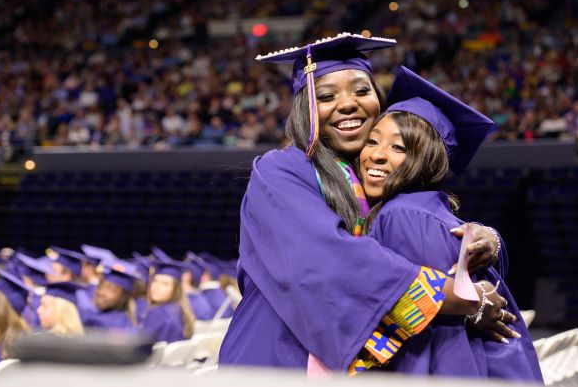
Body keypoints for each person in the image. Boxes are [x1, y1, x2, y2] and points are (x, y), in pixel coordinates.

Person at [218, 33, 510, 373]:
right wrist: (453, 297)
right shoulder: (281, 169)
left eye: (362, 90)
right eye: (326, 96)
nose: (347, 104)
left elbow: (430, 232)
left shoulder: (376, 175)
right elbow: (326, 261)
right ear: (305, 110)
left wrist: (486, 238)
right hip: (276, 357)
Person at [356, 66, 542, 381]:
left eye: (398, 147)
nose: (376, 155)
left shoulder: (401, 214)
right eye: (372, 141)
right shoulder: (428, 208)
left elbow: (438, 333)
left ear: (426, 159)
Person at [139, 260, 195, 342]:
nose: (157, 287)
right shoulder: (181, 310)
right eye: (155, 281)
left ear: (175, 289)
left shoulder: (159, 314)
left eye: (165, 284)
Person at [84, 261, 138, 330]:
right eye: (100, 286)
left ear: (123, 296)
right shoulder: (129, 322)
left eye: (110, 289)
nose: (101, 293)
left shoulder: (98, 323)